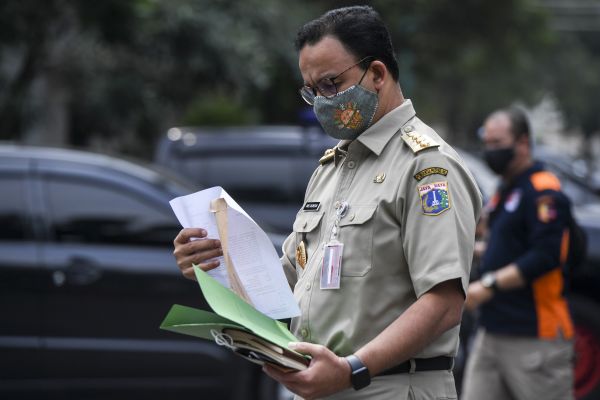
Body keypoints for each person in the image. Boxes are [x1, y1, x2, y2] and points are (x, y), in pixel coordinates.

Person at [173, 6, 482, 399]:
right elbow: (284, 284)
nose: (321, 100)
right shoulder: (332, 167)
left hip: (387, 386)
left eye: (332, 84)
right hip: (319, 385)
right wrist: (210, 264)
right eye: (312, 90)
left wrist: (351, 369)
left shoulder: (426, 167)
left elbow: (444, 303)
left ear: (377, 74)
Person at [462, 107, 574, 400]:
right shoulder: (507, 190)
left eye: (498, 144)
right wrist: (466, 251)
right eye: (487, 143)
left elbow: (546, 256)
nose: (490, 151)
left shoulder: (543, 190)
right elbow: (506, 249)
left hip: (535, 336)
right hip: (491, 332)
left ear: (523, 143)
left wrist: (487, 286)